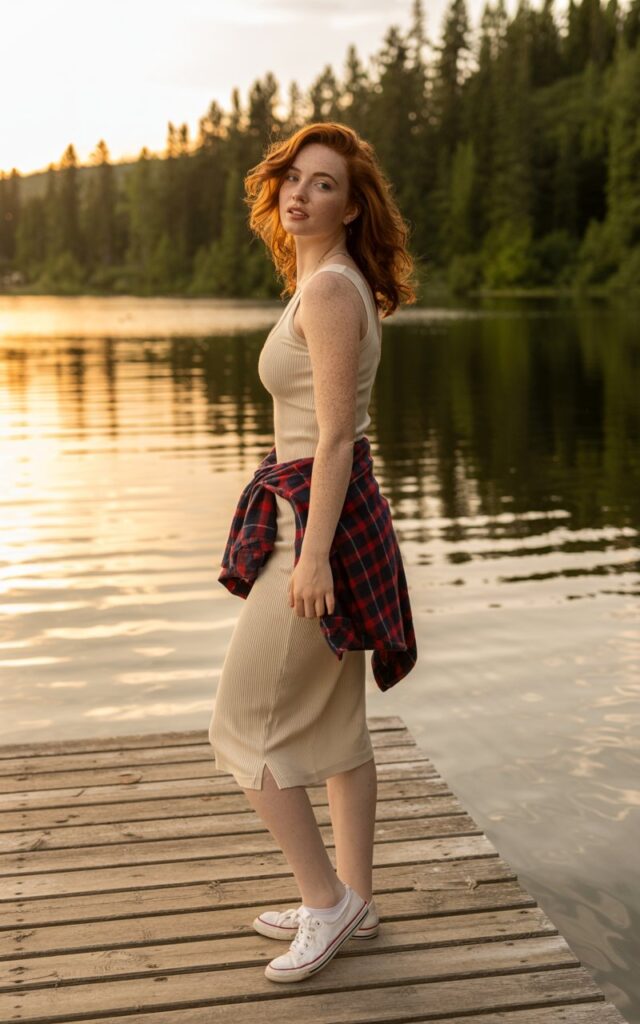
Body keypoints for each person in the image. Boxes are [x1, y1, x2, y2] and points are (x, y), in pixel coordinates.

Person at [208, 121, 417, 984]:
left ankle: (325, 904)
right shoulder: (325, 283)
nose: (301, 193)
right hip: (321, 511)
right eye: (294, 177)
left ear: (353, 204)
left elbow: (334, 440)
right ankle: (353, 902)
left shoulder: (331, 291)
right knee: (335, 727)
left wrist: (312, 557)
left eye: (324, 183)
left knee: (241, 729)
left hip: (315, 522)